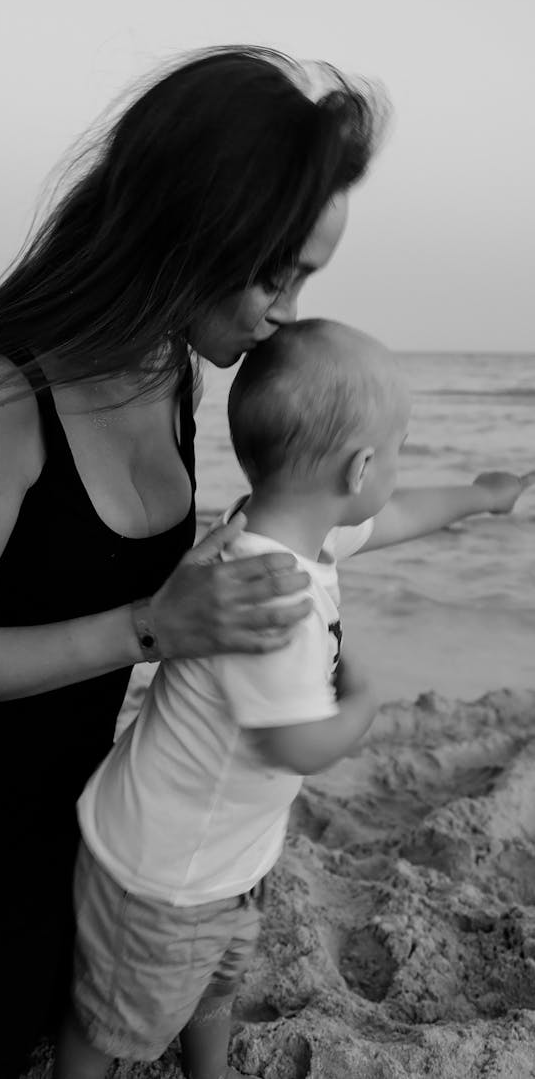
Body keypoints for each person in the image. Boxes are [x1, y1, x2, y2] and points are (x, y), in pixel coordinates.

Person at [0, 49, 387, 1079]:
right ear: (188, 231)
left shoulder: (169, 367)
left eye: (307, 278)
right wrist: (152, 629)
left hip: (68, 824)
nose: (284, 309)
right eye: (273, 272)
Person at [56, 319, 535, 1079]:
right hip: (165, 875)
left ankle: (208, 1069)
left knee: (219, 974)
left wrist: (480, 496)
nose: (399, 468)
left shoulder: (285, 529)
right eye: (400, 449)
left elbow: (399, 515)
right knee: (114, 1017)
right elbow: (296, 744)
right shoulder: (271, 597)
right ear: (360, 466)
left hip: (220, 850)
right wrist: (365, 702)